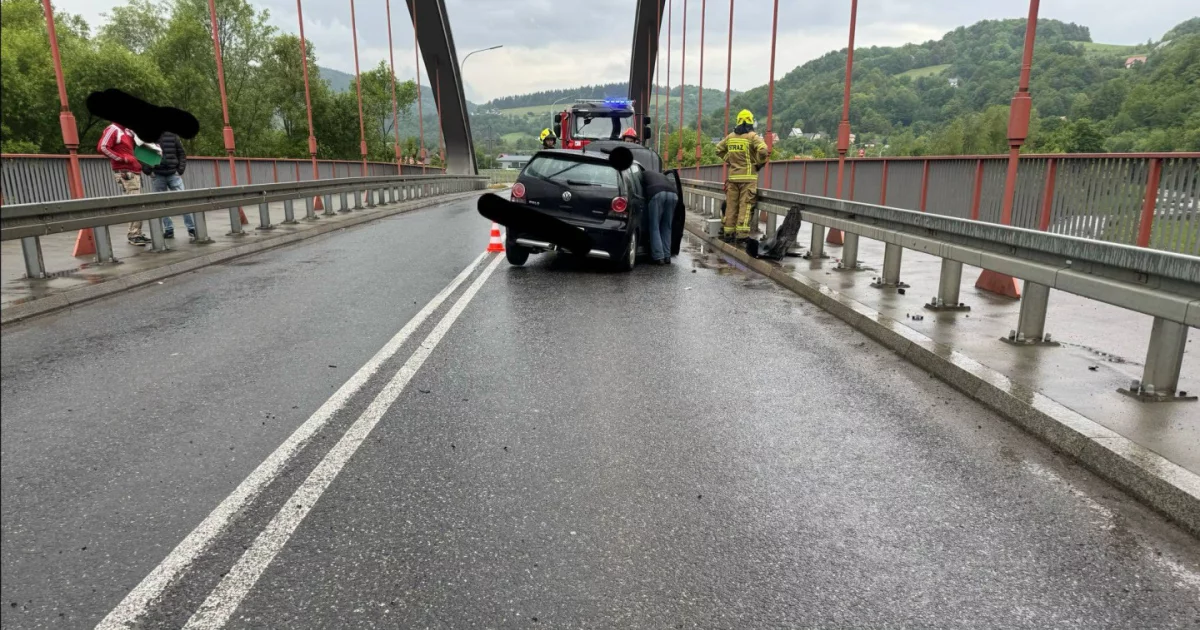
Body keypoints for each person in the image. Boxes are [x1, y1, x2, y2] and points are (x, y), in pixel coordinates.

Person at [715, 109, 769, 242]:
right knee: (745, 206)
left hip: (733, 178)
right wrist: (758, 163)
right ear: (751, 121)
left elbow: (718, 149)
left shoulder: (730, 137)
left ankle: (728, 233)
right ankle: (741, 235)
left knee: (731, 206)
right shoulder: (752, 136)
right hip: (748, 178)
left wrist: (730, 160)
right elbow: (763, 150)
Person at [98, 121, 150, 245]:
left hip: (133, 170)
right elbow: (102, 147)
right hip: (125, 171)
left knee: (137, 202)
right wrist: (122, 158)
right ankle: (133, 234)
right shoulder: (113, 129)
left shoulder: (127, 131)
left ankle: (137, 232)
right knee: (134, 202)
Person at [143, 131, 194, 239]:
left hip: (173, 174)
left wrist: (180, 170)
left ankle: (191, 228)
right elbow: (143, 154)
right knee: (162, 204)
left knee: (183, 201)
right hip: (158, 175)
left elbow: (181, 153)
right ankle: (169, 230)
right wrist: (148, 171)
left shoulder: (173, 135)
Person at [641, 168, 678, 264]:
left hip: (657, 193)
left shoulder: (642, 174)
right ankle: (667, 256)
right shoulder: (661, 176)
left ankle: (659, 257)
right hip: (673, 194)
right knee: (667, 226)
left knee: (655, 226)